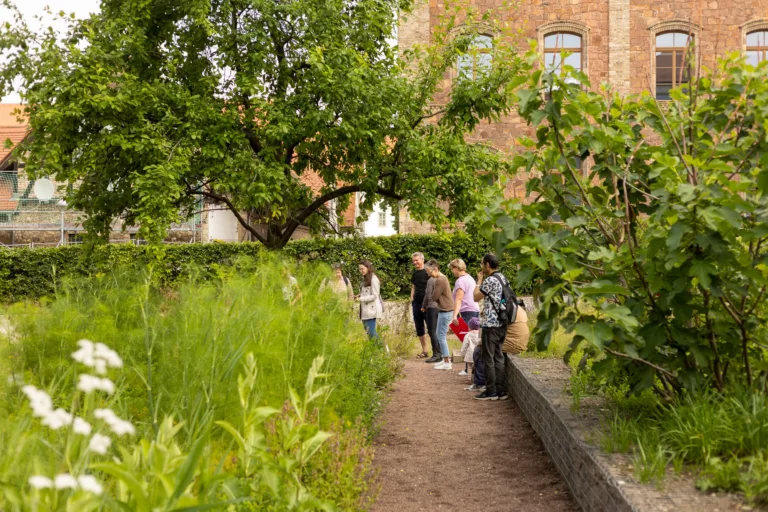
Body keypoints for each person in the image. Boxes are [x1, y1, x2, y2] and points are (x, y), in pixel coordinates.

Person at [473, 253, 510, 401]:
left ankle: (491, 391)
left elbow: (476, 297)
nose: (482, 266)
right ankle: (500, 391)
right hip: (502, 322)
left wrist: (479, 280)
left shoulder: (490, 280)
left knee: (488, 357)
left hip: (490, 323)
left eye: (483, 264)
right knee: (499, 356)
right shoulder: (503, 278)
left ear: (487, 264)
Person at [425, 259, 454, 370]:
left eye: (429, 272)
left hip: (445, 310)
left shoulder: (440, 280)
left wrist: (431, 297)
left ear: (436, 269)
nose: (429, 274)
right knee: (439, 334)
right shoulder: (442, 278)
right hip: (444, 310)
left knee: (441, 336)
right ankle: (444, 359)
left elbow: (434, 296)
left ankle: (447, 361)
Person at [410, 252, 430, 358]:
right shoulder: (415, 273)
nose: (415, 262)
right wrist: (412, 298)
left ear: (422, 260)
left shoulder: (428, 272)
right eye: (413, 260)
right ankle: (425, 350)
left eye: (417, 260)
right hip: (416, 304)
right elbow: (413, 286)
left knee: (431, 327)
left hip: (427, 305)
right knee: (419, 327)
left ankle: (437, 351)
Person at [449, 259, 480, 326]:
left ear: (457, 268)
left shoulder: (460, 281)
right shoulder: (470, 278)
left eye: (452, 269)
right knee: (472, 334)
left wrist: (454, 316)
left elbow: (459, 299)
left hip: (466, 311)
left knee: (465, 335)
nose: (452, 271)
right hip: (475, 310)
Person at [357, 260, 383, 340]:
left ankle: (382, 351)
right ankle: (375, 351)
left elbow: (375, 295)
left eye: (362, 269)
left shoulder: (374, 279)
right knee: (369, 334)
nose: (361, 271)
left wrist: (361, 298)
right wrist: (359, 296)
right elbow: (366, 293)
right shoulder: (364, 279)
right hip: (365, 311)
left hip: (372, 311)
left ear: (368, 268)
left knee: (372, 333)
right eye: (360, 269)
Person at [421, 271, 441, 363]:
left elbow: (428, 294)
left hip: (432, 307)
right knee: (439, 332)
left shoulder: (431, 280)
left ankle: (436, 354)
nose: (427, 272)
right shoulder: (442, 278)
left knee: (432, 331)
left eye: (428, 270)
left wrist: (424, 306)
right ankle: (441, 353)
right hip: (440, 307)